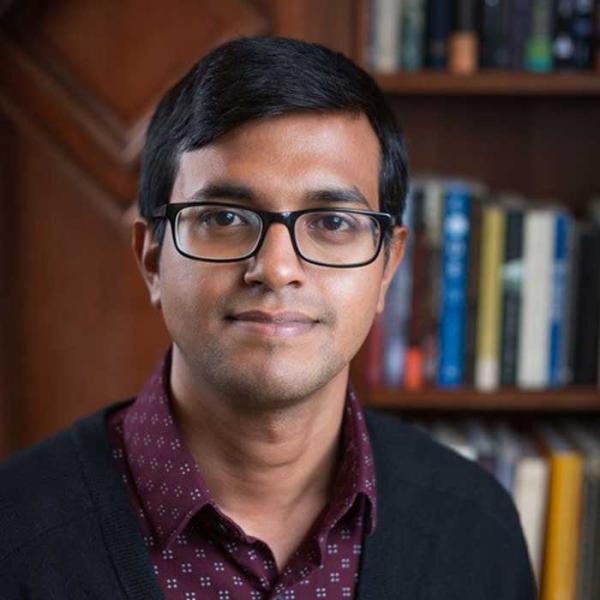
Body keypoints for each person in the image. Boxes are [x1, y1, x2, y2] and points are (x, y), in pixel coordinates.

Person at [0, 37, 536, 599]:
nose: (277, 268)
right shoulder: (10, 539)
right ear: (152, 258)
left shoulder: (477, 531)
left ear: (387, 267)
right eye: (225, 216)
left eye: (332, 223)